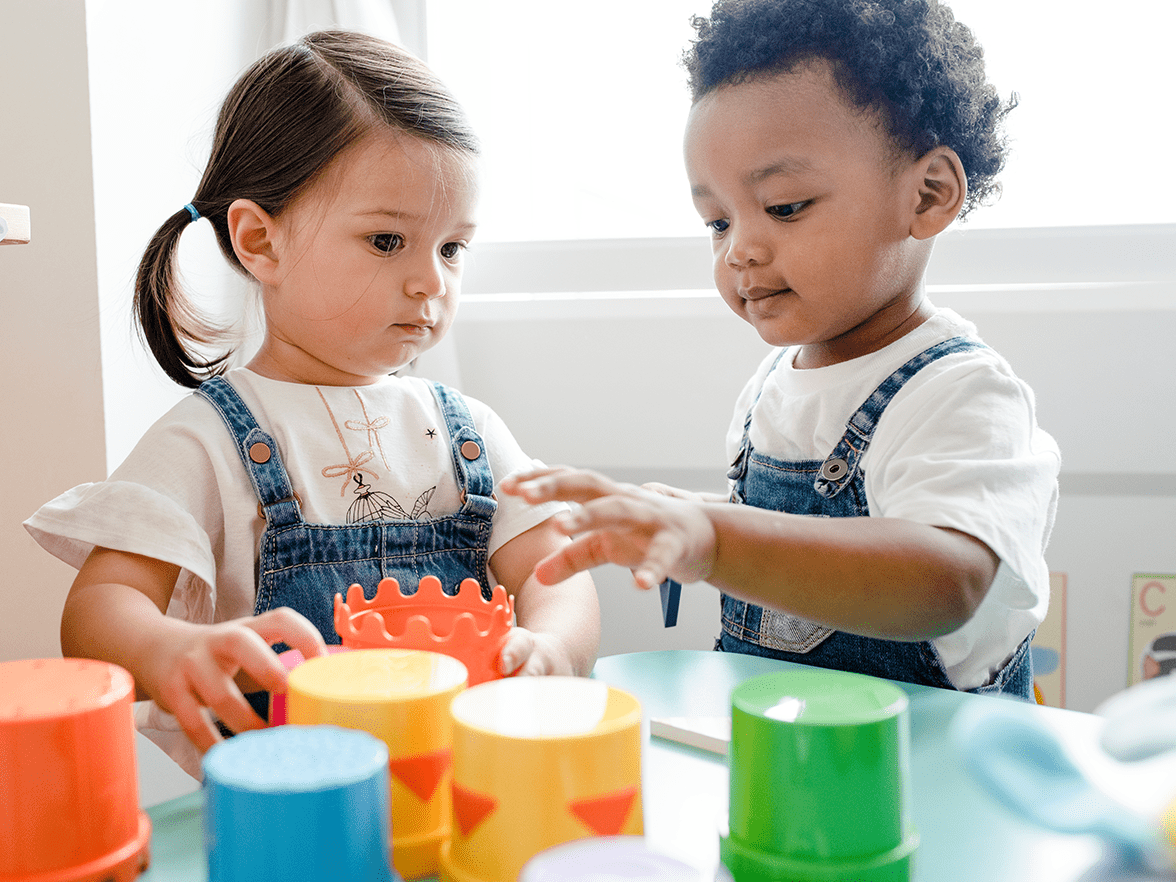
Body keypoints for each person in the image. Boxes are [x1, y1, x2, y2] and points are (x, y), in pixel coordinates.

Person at [24, 30, 599, 777]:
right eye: (388, 241)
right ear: (261, 241)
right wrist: (172, 649)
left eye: (453, 248)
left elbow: (557, 571)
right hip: (291, 808)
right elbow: (99, 610)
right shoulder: (209, 440)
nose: (432, 281)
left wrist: (553, 648)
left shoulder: (469, 432)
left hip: (462, 790)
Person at [503, 0, 1058, 701]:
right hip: (790, 761)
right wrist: (682, 517)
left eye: (785, 206)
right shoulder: (773, 385)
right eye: (716, 221)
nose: (741, 249)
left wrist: (716, 538)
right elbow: (797, 539)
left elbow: (946, 579)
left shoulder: (962, 395)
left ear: (927, 194)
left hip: (928, 773)